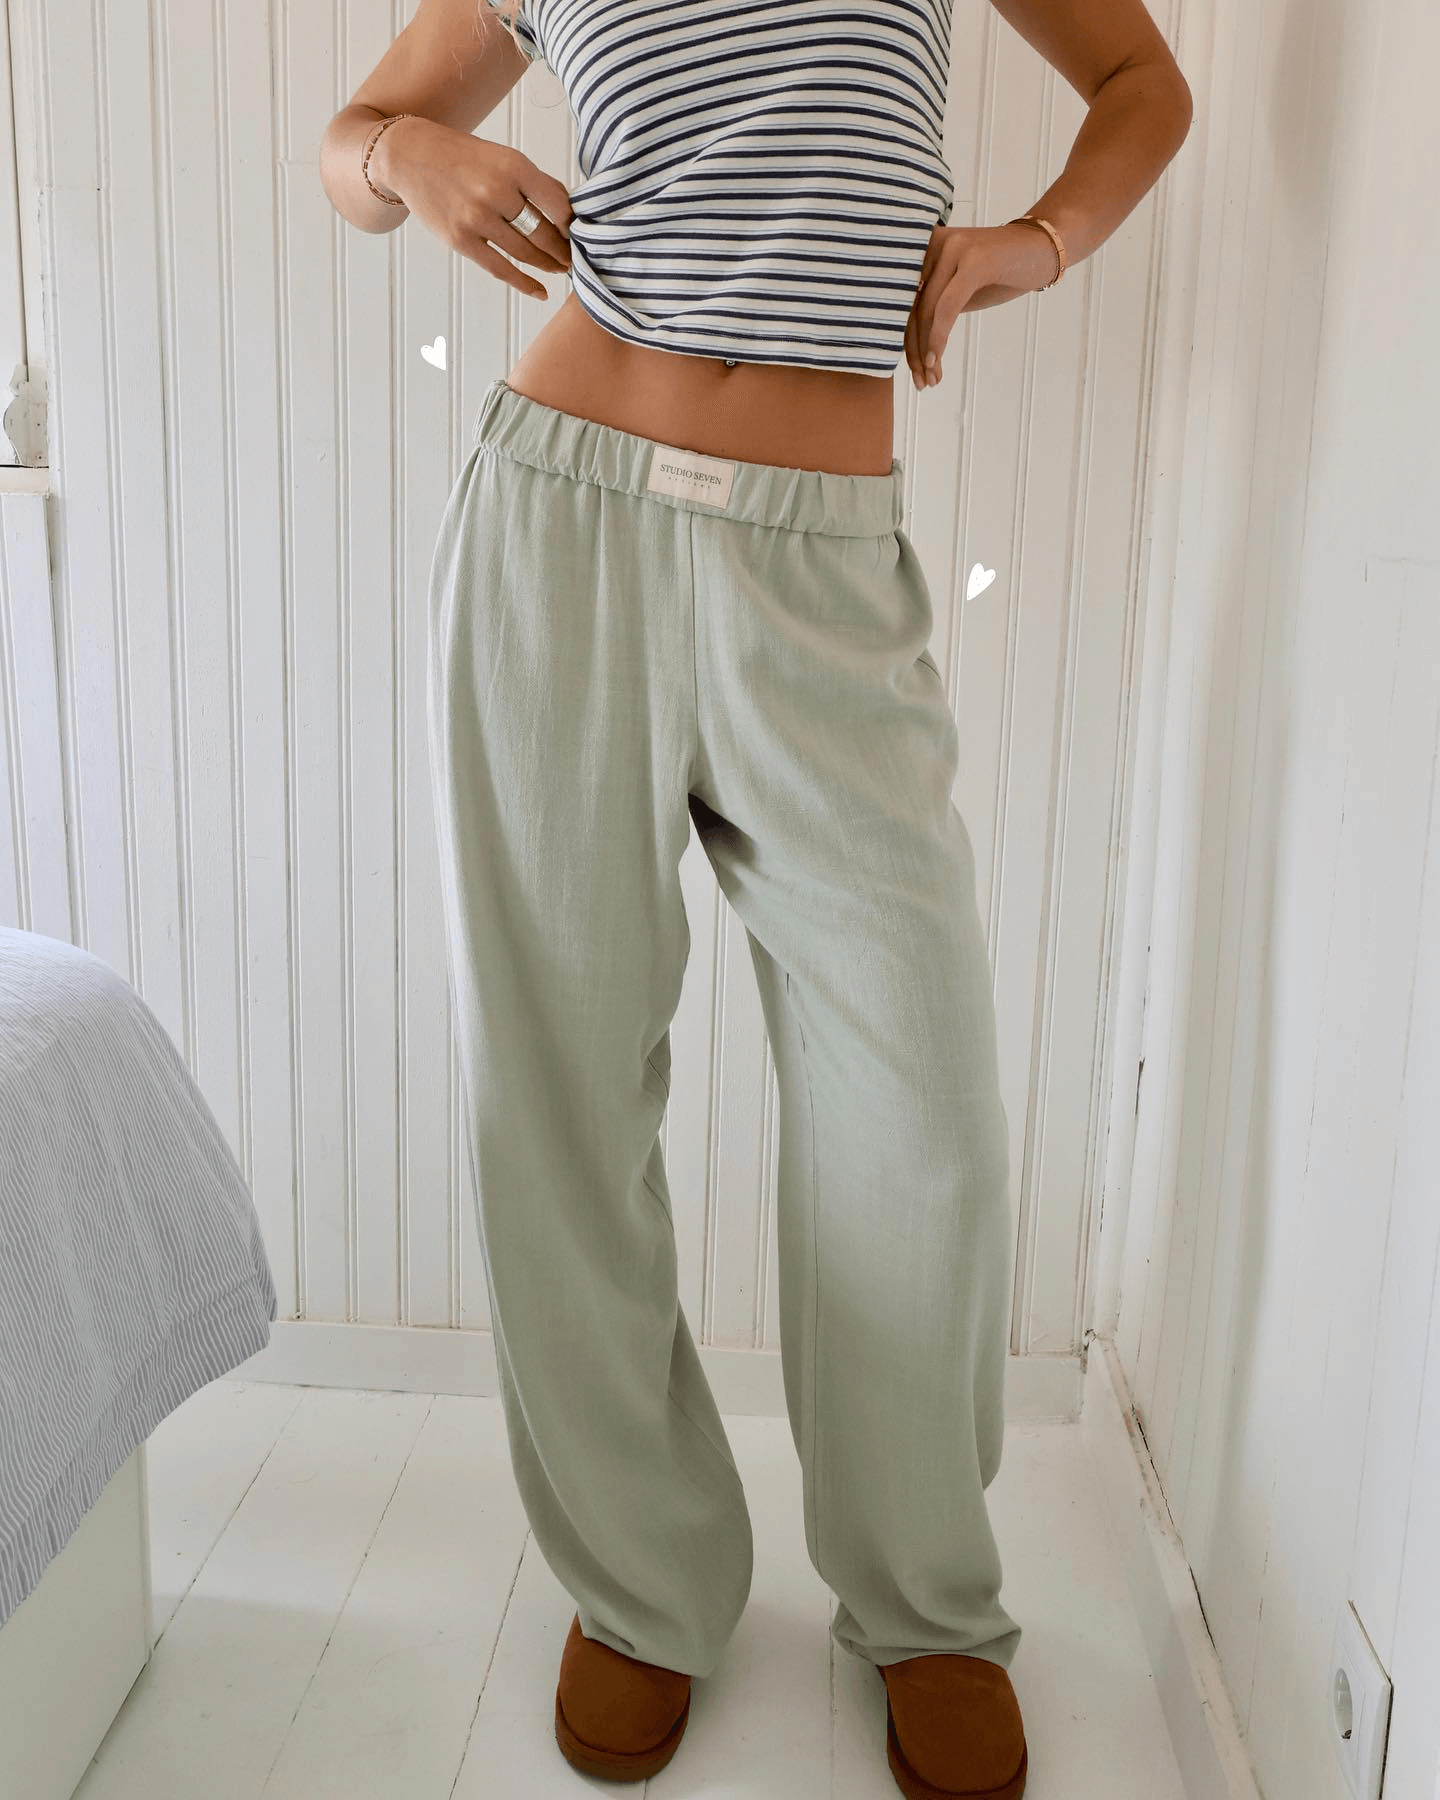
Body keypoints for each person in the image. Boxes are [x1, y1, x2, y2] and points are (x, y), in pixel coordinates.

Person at [320, 0, 1190, 1790]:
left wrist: (1030, 245)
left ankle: (925, 1597)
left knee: (919, 1112)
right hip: (562, 522)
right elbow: (352, 141)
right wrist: (409, 155)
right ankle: (639, 1586)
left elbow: (1141, 83)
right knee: (559, 1095)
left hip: (826, 563)